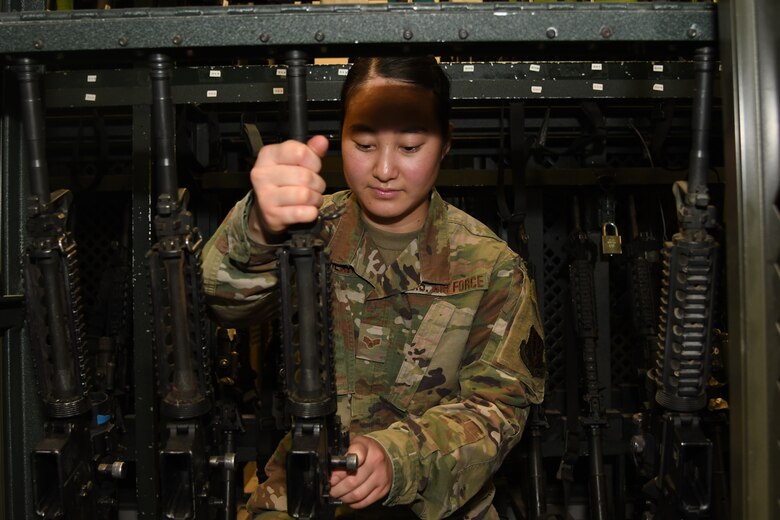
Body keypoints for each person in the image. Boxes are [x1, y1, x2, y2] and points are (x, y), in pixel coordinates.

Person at [202, 56, 546, 520]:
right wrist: (260, 227)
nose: (384, 169)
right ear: (339, 138)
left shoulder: (491, 267)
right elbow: (223, 300)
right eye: (363, 143)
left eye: (409, 146)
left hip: (439, 501)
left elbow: (498, 410)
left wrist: (398, 458)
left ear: (446, 145)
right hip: (305, 493)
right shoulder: (304, 231)